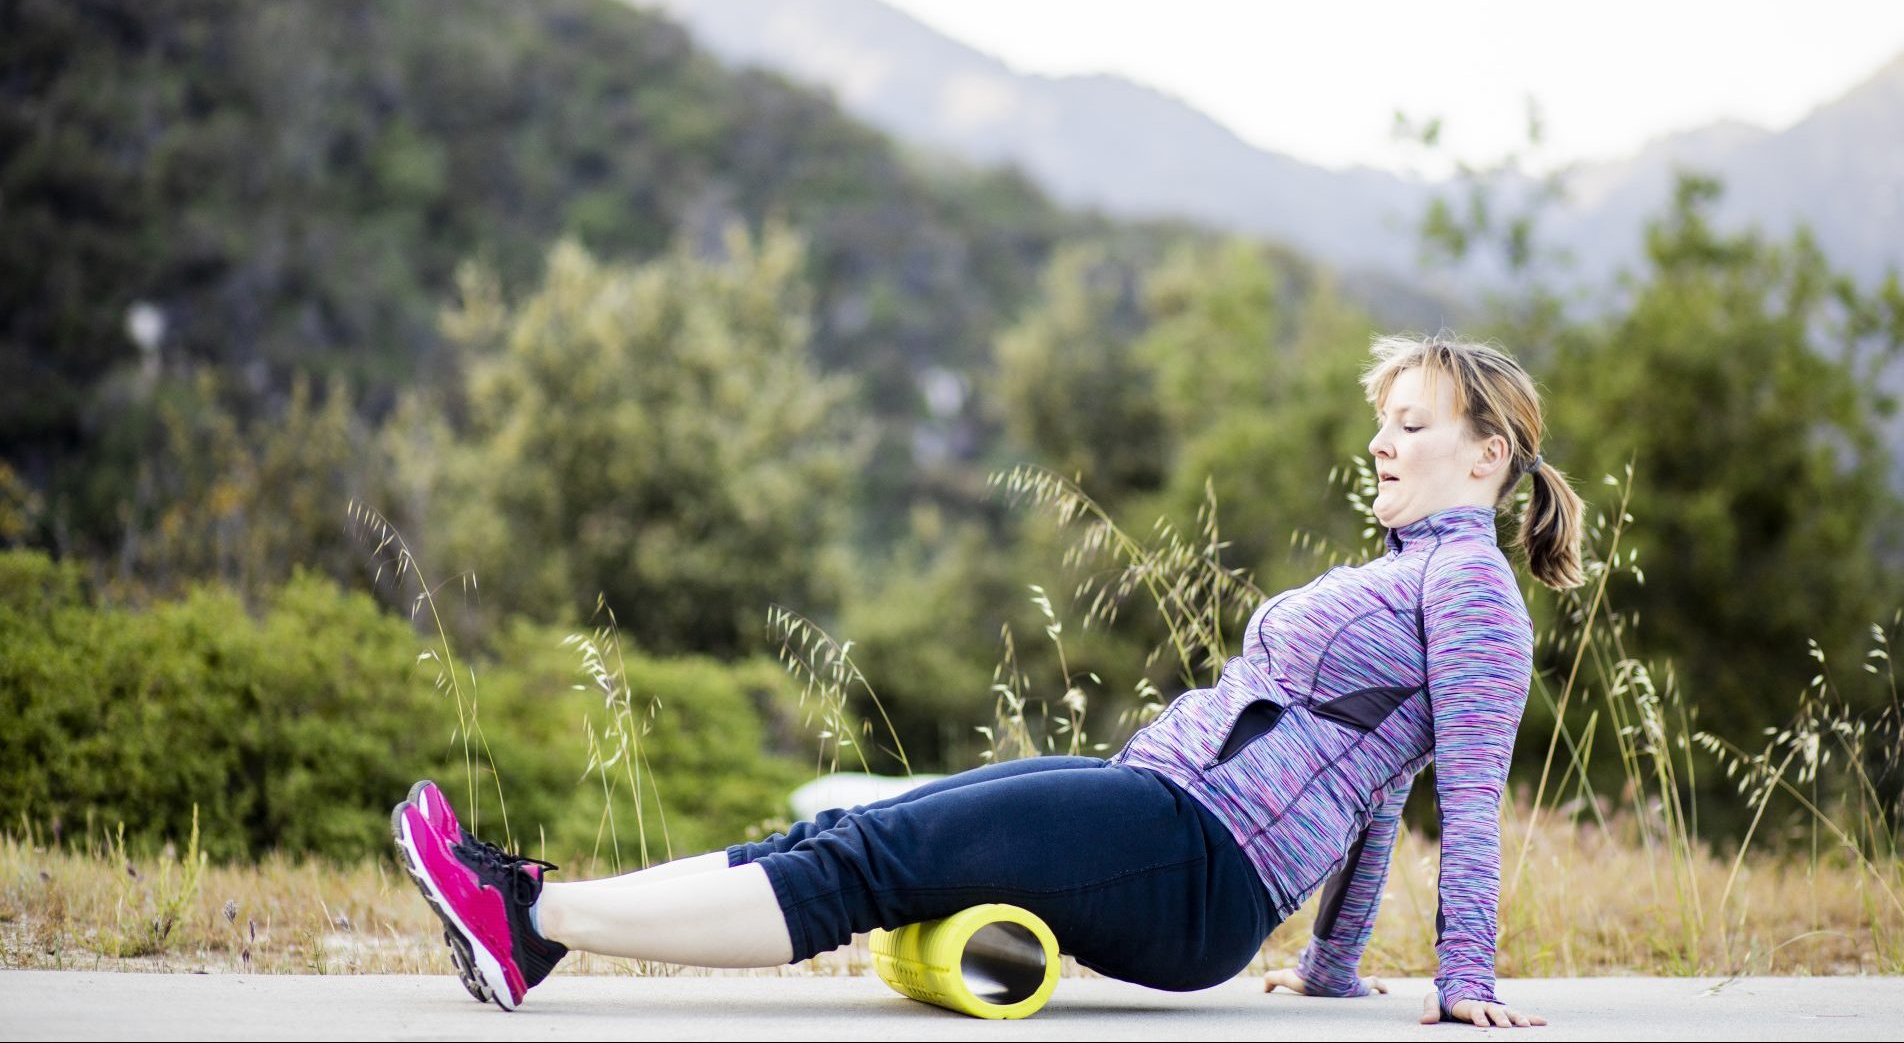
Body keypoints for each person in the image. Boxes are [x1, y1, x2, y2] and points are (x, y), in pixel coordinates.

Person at [393, 331, 1584, 1025]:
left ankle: (531, 916)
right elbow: (1371, 785)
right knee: (869, 826)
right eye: (1381, 420)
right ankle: (532, 920)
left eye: (1411, 425)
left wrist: (1459, 977)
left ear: (1487, 454)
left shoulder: (1471, 594)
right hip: (1163, 811)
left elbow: (1460, 792)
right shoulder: (1408, 576)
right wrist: (1328, 972)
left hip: (1198, 858)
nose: (1379, 441)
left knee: (870, 861)